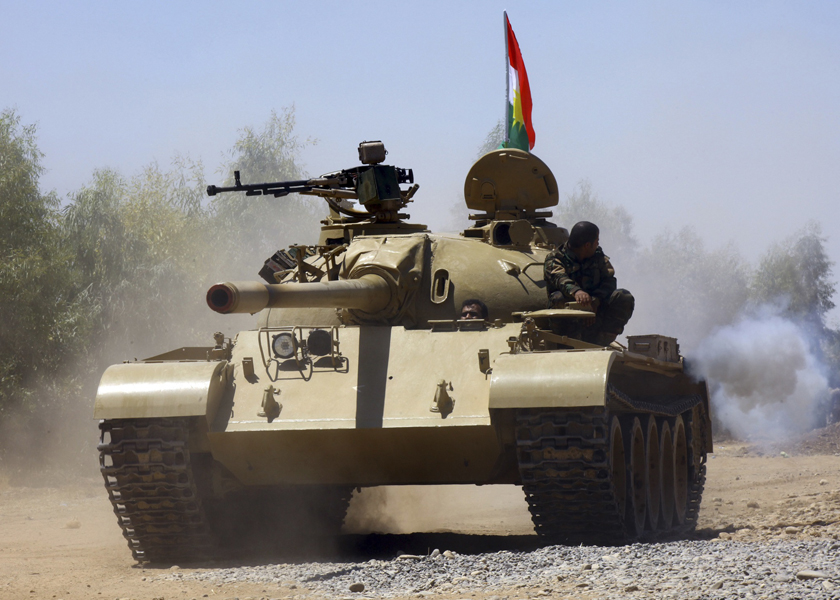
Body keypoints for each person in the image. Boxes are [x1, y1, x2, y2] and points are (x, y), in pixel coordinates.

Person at [544, 221, 634, 346]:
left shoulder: (598, 256)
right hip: (570, 313)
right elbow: (559, 278)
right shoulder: (555, 258)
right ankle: (566, 342)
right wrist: (577, 292)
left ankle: (602, 340)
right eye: (597, 241)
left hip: (596, 313)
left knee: (623, 296)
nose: (598, 244)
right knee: (558, 298)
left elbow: (609, 281)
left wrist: (595, 301)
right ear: (587, 245)